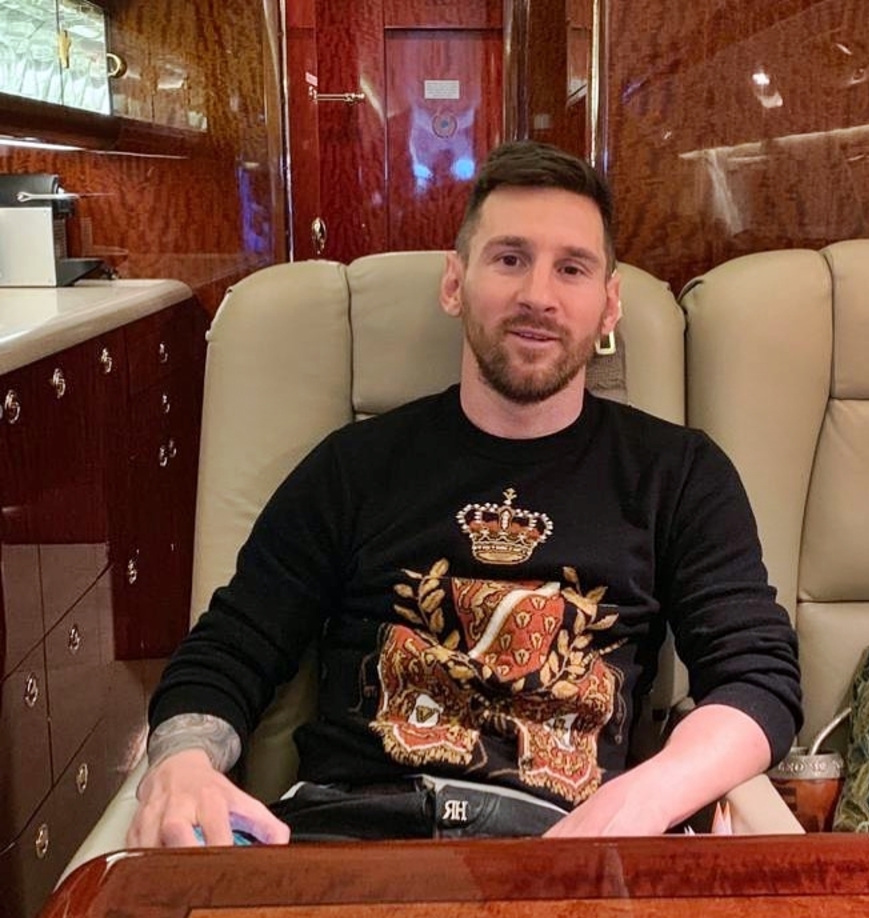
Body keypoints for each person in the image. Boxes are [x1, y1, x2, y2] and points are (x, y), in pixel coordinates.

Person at [127, 140, 801, 847]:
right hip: (347, 840)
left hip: (564, 848)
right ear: (455, 284)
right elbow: (230, 650)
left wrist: (649, 794)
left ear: (609, 307)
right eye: (509, 259)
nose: (538, 295)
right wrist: (184, 763)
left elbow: (758, 679)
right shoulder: (353, 467)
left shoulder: (679, 475)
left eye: (572, 268)